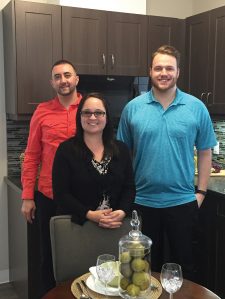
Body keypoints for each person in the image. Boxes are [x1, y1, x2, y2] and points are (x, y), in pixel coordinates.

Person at [117, 45, 217, 281]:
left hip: (182, 202)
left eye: (169, 68)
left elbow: (205, 152)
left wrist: (201, 192)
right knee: (145, 270)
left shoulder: (196, 107)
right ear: (150, 71)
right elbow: (122, 155)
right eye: (158, 67)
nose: (164, 73)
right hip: (141, 203)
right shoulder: (133, 109)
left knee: (186, 268)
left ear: (178, 72)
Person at [21, 59, 82, 297]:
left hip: (82, 195)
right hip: (49, 195)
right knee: (49, 255)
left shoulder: (89, 109)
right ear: (52, 82)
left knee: (81, 253)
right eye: (57, 76)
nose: (63, 80)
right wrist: (28, 196)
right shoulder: (42, 111)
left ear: (76, 79)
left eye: (67, 75)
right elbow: (32, 155)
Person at [52, 92, 135, 228]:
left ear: (106, 117)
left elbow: (129, 187)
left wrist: (122, 211)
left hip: (115, 226)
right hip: (79, 227)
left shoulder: (121, 149)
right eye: (86, 113)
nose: (92, 117)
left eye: (99, 113)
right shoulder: (66, 150)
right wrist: (89, 214)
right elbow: (61, 194)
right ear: (79, 117)